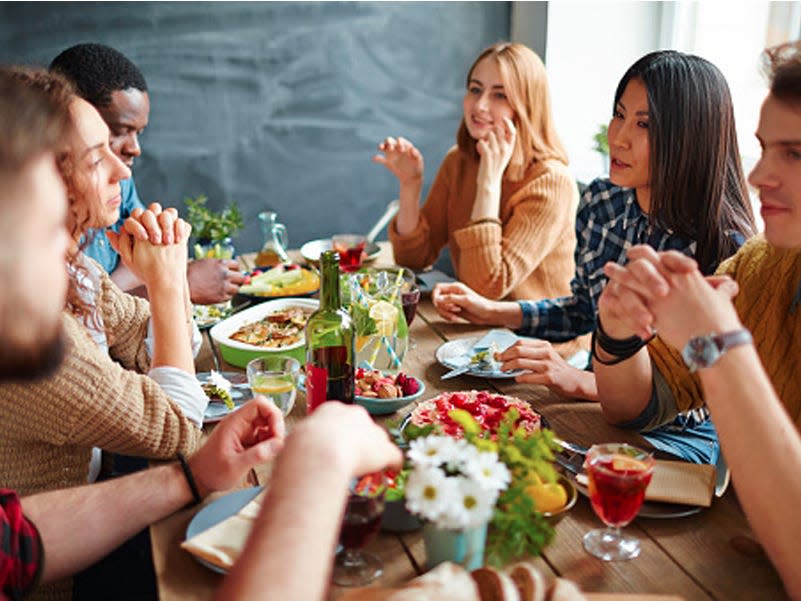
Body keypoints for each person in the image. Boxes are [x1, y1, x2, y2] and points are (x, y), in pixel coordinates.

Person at [0, 71, 403, 601]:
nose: (71, 250)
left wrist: (191, 477)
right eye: (48, 227)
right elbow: (173, 429)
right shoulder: (45, 342)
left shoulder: (76, 280)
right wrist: (319, 462)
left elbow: (16, 541)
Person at [591, 41, 801, 600]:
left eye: (795, 154)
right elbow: (631, 407)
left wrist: (716, 345)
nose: (759, 177)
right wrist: (615, 333)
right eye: (763, 150)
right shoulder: (762, 266)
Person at [431, 50, 756, 401]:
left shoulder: (724, 249)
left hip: (672, 437)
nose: (618, 137)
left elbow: (688, 395)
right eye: (620, 115)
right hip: (594, 397)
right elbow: (584, 311)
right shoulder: (605, 200)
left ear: (689, 138)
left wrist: (571, 377)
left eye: (644, 124)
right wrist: (491, 311)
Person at [0, 67, 207, 497]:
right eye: (97, 158)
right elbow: (175, 429)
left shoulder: (75, 272)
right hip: (62, 555)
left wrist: (165, 285)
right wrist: (167, 281)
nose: (124, 172)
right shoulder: (34, 328)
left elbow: (157, 340)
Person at [375, 42, 578, 302]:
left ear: (527, 106)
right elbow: (413, 258)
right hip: (476, 333)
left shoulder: (551, 183)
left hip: (539, 340)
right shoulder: (459, 161)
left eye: (499, 95)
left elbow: (487, 288)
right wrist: (410, 186)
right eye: (475, 89)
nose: (480, 105)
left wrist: (489, 183)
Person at [50, 42, 244, 305]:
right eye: (119, 131)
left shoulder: (119, 181)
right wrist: (177, 285)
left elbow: (144, 258)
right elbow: (74, 315)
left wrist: (150, 278)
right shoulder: (40, 210)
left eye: (138, 133)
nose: (135, 149)